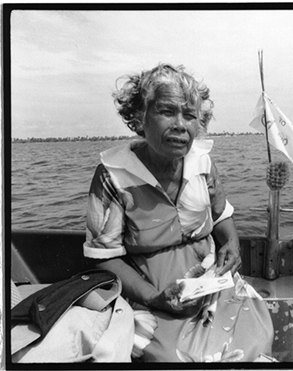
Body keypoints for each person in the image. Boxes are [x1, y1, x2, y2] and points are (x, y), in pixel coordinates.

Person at [83, 63, 274, 362]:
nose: (180, 125)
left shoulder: (203, 163)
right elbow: (105, 259)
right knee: (173, 358)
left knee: (256, 339)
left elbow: (221, 215)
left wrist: (232, 244)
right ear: (138, 118)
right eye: (167, 111)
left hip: (211, 278)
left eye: (190, 115)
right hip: (148, 289)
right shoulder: (113, 176)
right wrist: (153, 298)